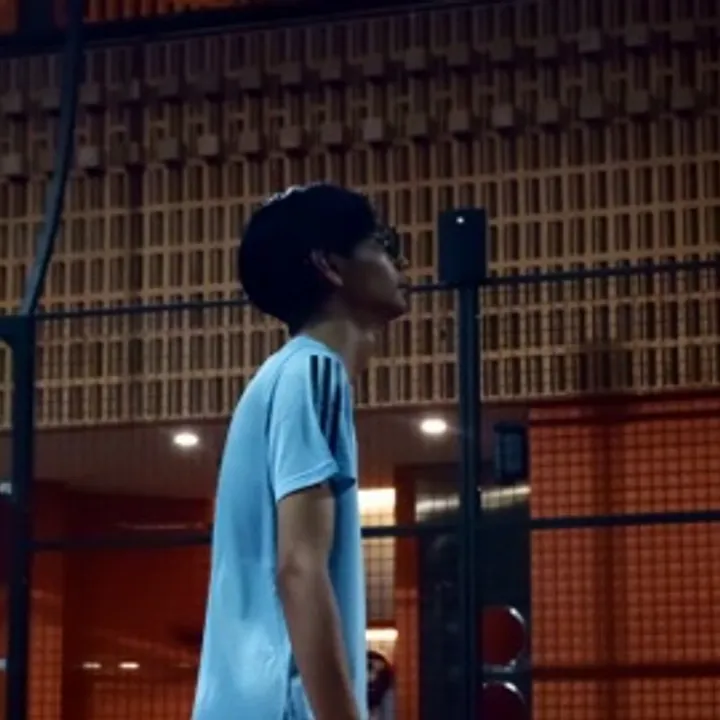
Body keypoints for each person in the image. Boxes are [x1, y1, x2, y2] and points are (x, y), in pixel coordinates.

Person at [192, 183, 408, 720]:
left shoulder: (284, 376)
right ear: (330, 266)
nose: (398, 261)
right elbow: (299, 569)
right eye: (381, 243)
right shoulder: (313, 371)